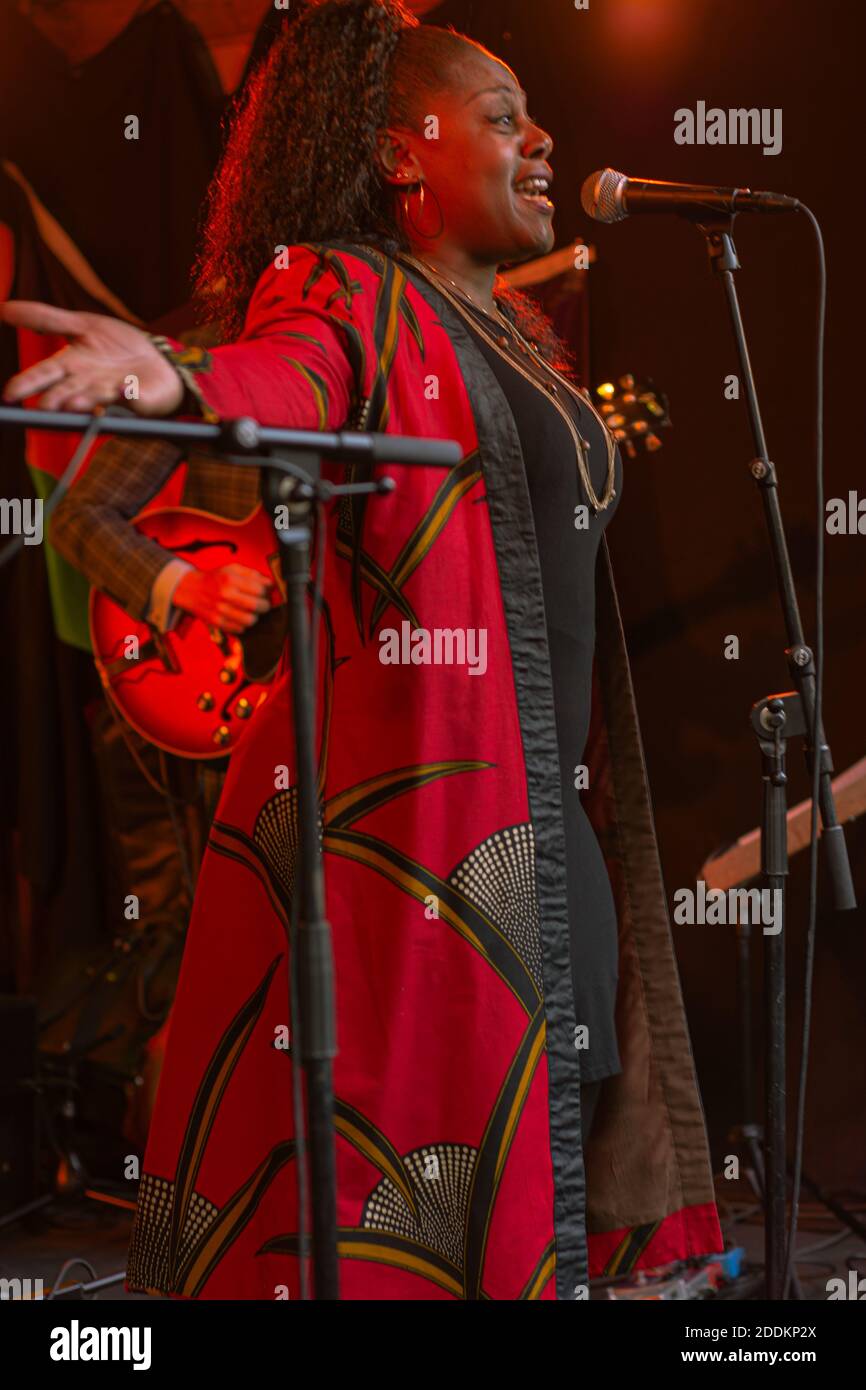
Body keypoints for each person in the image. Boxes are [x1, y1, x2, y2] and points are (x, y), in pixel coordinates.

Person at [2, 0, 723, 1301]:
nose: (544, 139)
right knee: (427, 1168)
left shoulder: (508, 326)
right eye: (506, 119)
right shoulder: (342, 290)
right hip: (428, 832)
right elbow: (289, 371)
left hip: (542, 805)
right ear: (402, 156)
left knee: (554, 1124)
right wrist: (173, 380)